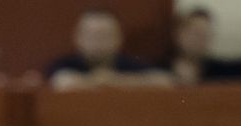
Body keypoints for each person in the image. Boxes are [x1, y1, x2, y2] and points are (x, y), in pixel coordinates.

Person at [45, 9, 173, 90]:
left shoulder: (129, 64)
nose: (98, 42)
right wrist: (99, 81)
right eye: (92, 35)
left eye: (105, 35)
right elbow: (62, 82)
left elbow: (164, 81)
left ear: (119, 38)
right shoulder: (64, 64)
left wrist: (113, 79)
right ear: (78, 37)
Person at [169, 8, 241, 84]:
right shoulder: (164, 69)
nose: (199, 40)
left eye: (205, 35)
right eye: (196, 33)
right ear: (178, 34)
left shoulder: (220, 69)